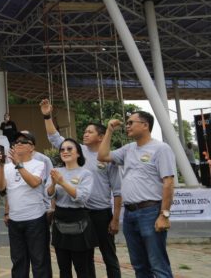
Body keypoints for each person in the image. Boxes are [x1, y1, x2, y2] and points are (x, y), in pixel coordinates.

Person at [40, 99, 122, 277]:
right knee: (85, 260)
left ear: (101, 137)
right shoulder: (77, 151)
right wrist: (47, 116)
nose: (85, 134)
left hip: (100, 213)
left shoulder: (108, 158)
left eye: (90, 132)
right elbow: (55, 138)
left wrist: (115, 219)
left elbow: (117, 191)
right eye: (84, 131)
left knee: (109, 255)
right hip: (81, 213)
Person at [99, 112, 176, 278]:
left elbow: (168, 182)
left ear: (145, 125)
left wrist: (164, 215)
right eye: (126, 123)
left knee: (158, 265)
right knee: (139, 265)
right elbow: (103, 156)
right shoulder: (128, 149)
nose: (127, 126)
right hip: (130, 214)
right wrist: (109, 130)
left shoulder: (161, 148)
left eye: (131, 122)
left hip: (150, 211)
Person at [0, 131, 52, 278]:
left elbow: (34, 183)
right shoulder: (7, 167)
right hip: (15, 221)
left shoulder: (39, 164)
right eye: (16, 142)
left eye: (23, 141)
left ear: (32, 147)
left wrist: (19, 165)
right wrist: (1, 166)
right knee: (18, 261)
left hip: (35, 220)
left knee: (39, 261)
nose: (19, 143)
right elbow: (0, 187)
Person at [48, 138, 96, 277]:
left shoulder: (85, 173)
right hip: (60, 219)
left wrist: (62, 182)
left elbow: (82, 197)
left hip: (79, 220)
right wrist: (53, 184)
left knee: (82, 268)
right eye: (62, 149)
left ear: (78, 153)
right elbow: (49, 194)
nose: (65, 151)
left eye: (69, 149)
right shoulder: (56, 171)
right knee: (63, 268)